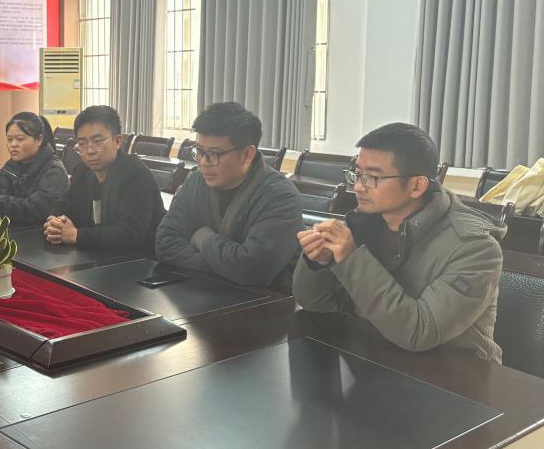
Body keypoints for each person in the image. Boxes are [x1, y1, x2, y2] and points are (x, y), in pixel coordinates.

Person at [293, 123, 504, 361]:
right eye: (357, 174)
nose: (359, 187)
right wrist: (319, 264)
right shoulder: (367, 222)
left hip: (453, 373)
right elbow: (316, 305)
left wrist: (352, 258)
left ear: (417, 185)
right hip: (374, 358)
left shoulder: (476, 248)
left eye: (373, 177)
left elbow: (419, 333)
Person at [155, 102, 301, 287]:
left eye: (214, 154)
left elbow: (252, 270)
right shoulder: (196, 181)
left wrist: (202, 237)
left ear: (248, 154)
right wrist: (229, 267)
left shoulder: (280, 197)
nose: (203, 162)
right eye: (199, 151)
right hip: (201, 289)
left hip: (262, 300)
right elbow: (165, 244)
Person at [44, 105, 164, 255]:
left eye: (98, 141)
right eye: (82, 144)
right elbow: (61, 206)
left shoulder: (135, 175)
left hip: (137, 260)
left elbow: (130, 234)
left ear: (117, 141)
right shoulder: (82, 171)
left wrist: (76, 235)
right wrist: (55, 224)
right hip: (94, 256)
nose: (89, 151)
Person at [0, 112, 68, 226]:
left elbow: (35, 208)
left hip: (38, 232)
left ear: (39, 140)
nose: (13, 144)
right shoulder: (15, 163)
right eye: (9, 139)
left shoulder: (54, 170)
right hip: (15, 229)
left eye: (20, 139)